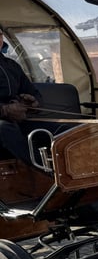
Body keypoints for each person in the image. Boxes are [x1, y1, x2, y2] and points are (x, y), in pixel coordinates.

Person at [0, 28, 42, 165]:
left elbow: (34, 93)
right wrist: (4, 110)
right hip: (4, 125)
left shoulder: (12, 65)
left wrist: (33, 103)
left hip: (18, 121)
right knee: (4, 129)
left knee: (64, 130)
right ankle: (48, 173)